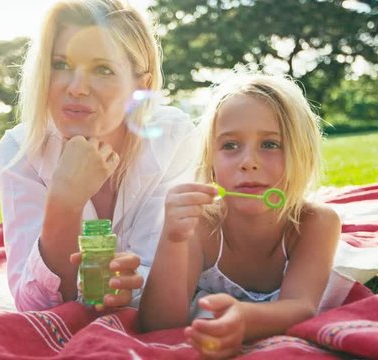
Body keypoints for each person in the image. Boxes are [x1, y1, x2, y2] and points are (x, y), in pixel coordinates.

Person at [0, 0, 199, 311]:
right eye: (61, 64)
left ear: (140, 85)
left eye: (102, 69)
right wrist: (64, 202)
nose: (76, 88)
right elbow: (33, 303)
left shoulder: (174, 137)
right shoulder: (21, 149)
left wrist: (127, 289)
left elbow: (165, 272)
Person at [139, 73, 341, 358]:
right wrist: (172, 239)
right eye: (230, 145)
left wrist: (244, 319)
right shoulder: (199, 226)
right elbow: (157, 324)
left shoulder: (316, 223)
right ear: (210, 160)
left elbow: (301, 306)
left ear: (303, 154)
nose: (248, 162)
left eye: (270, 144)